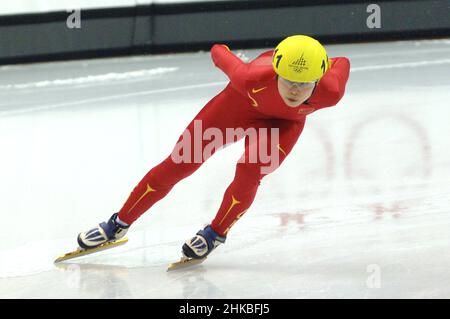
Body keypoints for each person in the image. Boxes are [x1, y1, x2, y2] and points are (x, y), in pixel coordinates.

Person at [77, 35, 350, 260]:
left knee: (250, 171)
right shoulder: (249, 78)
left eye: (304, 85)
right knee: (179, 163)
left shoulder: (331, 91)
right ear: (277, 71)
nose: (295, 90)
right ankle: (118, 224)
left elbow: (343, 62)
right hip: (236, 107)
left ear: (318, 78)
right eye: (289, 81)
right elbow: (219, 52)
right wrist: (223, 48)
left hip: (281, 125)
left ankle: (216, 233)